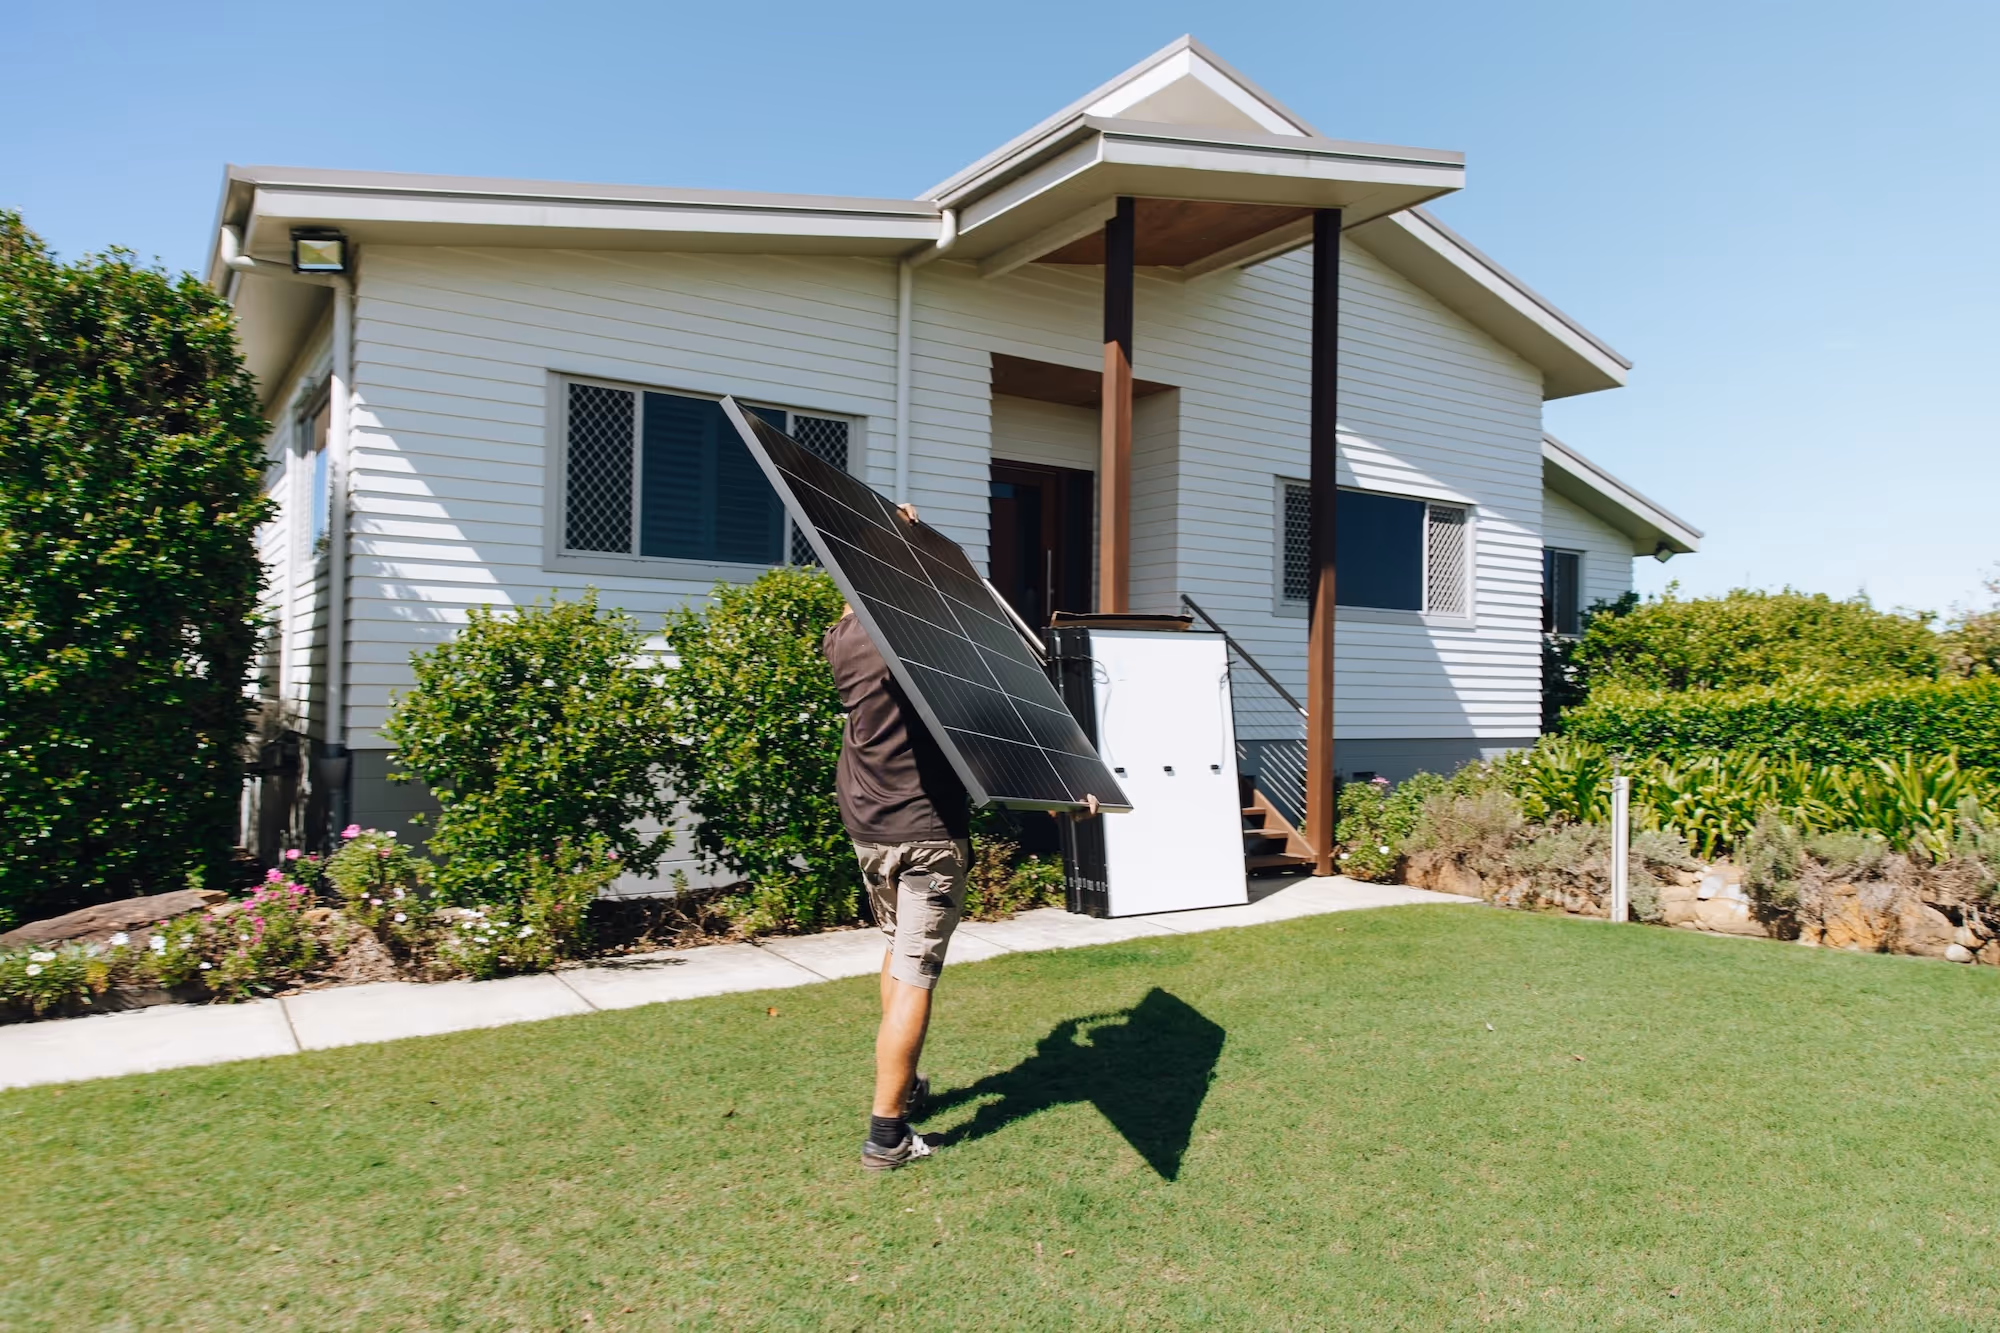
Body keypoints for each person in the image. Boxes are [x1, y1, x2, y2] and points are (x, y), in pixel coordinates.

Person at [821, 503, 1094, 1171]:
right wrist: (1060, 788)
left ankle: (904, 1080)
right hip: (924, 830)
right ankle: (887, 1134)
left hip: (867, 820)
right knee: (917, 973)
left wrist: (891, 539)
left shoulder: (842, 637)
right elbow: (987, 716)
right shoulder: (916, 641)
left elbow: (871, 597)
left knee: (895, 948)